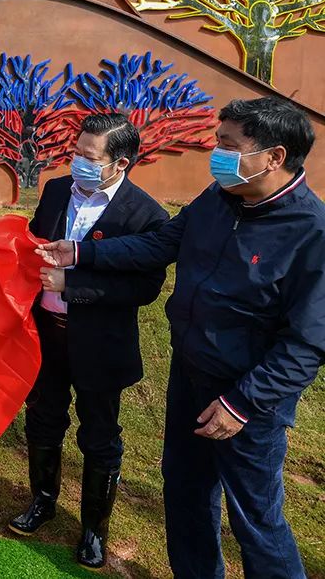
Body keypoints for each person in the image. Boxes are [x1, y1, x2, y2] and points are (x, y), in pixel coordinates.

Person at [37, 97, 324, 578]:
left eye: (229, 145)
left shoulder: (311, 231)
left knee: (255, 516)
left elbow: (307, 343)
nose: (217, 154)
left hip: (245, 398)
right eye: (217, 142)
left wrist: (242, 403)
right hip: (190, 376)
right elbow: (159, 244)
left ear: (273, 157)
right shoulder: (219, 198)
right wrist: (81, 254)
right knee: (186, 492)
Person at [8, 113, 169, 569]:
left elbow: (145, 287)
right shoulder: (57, 190)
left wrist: (72, 286)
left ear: (120, 163)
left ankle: (94, 529)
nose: (77, 161)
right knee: (43, 420)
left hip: (100, 343)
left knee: (99, 435)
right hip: (46, 333)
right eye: (76, 151)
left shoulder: (146, 215)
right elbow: (36, 239)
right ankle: (42, 501)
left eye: (89, 157)